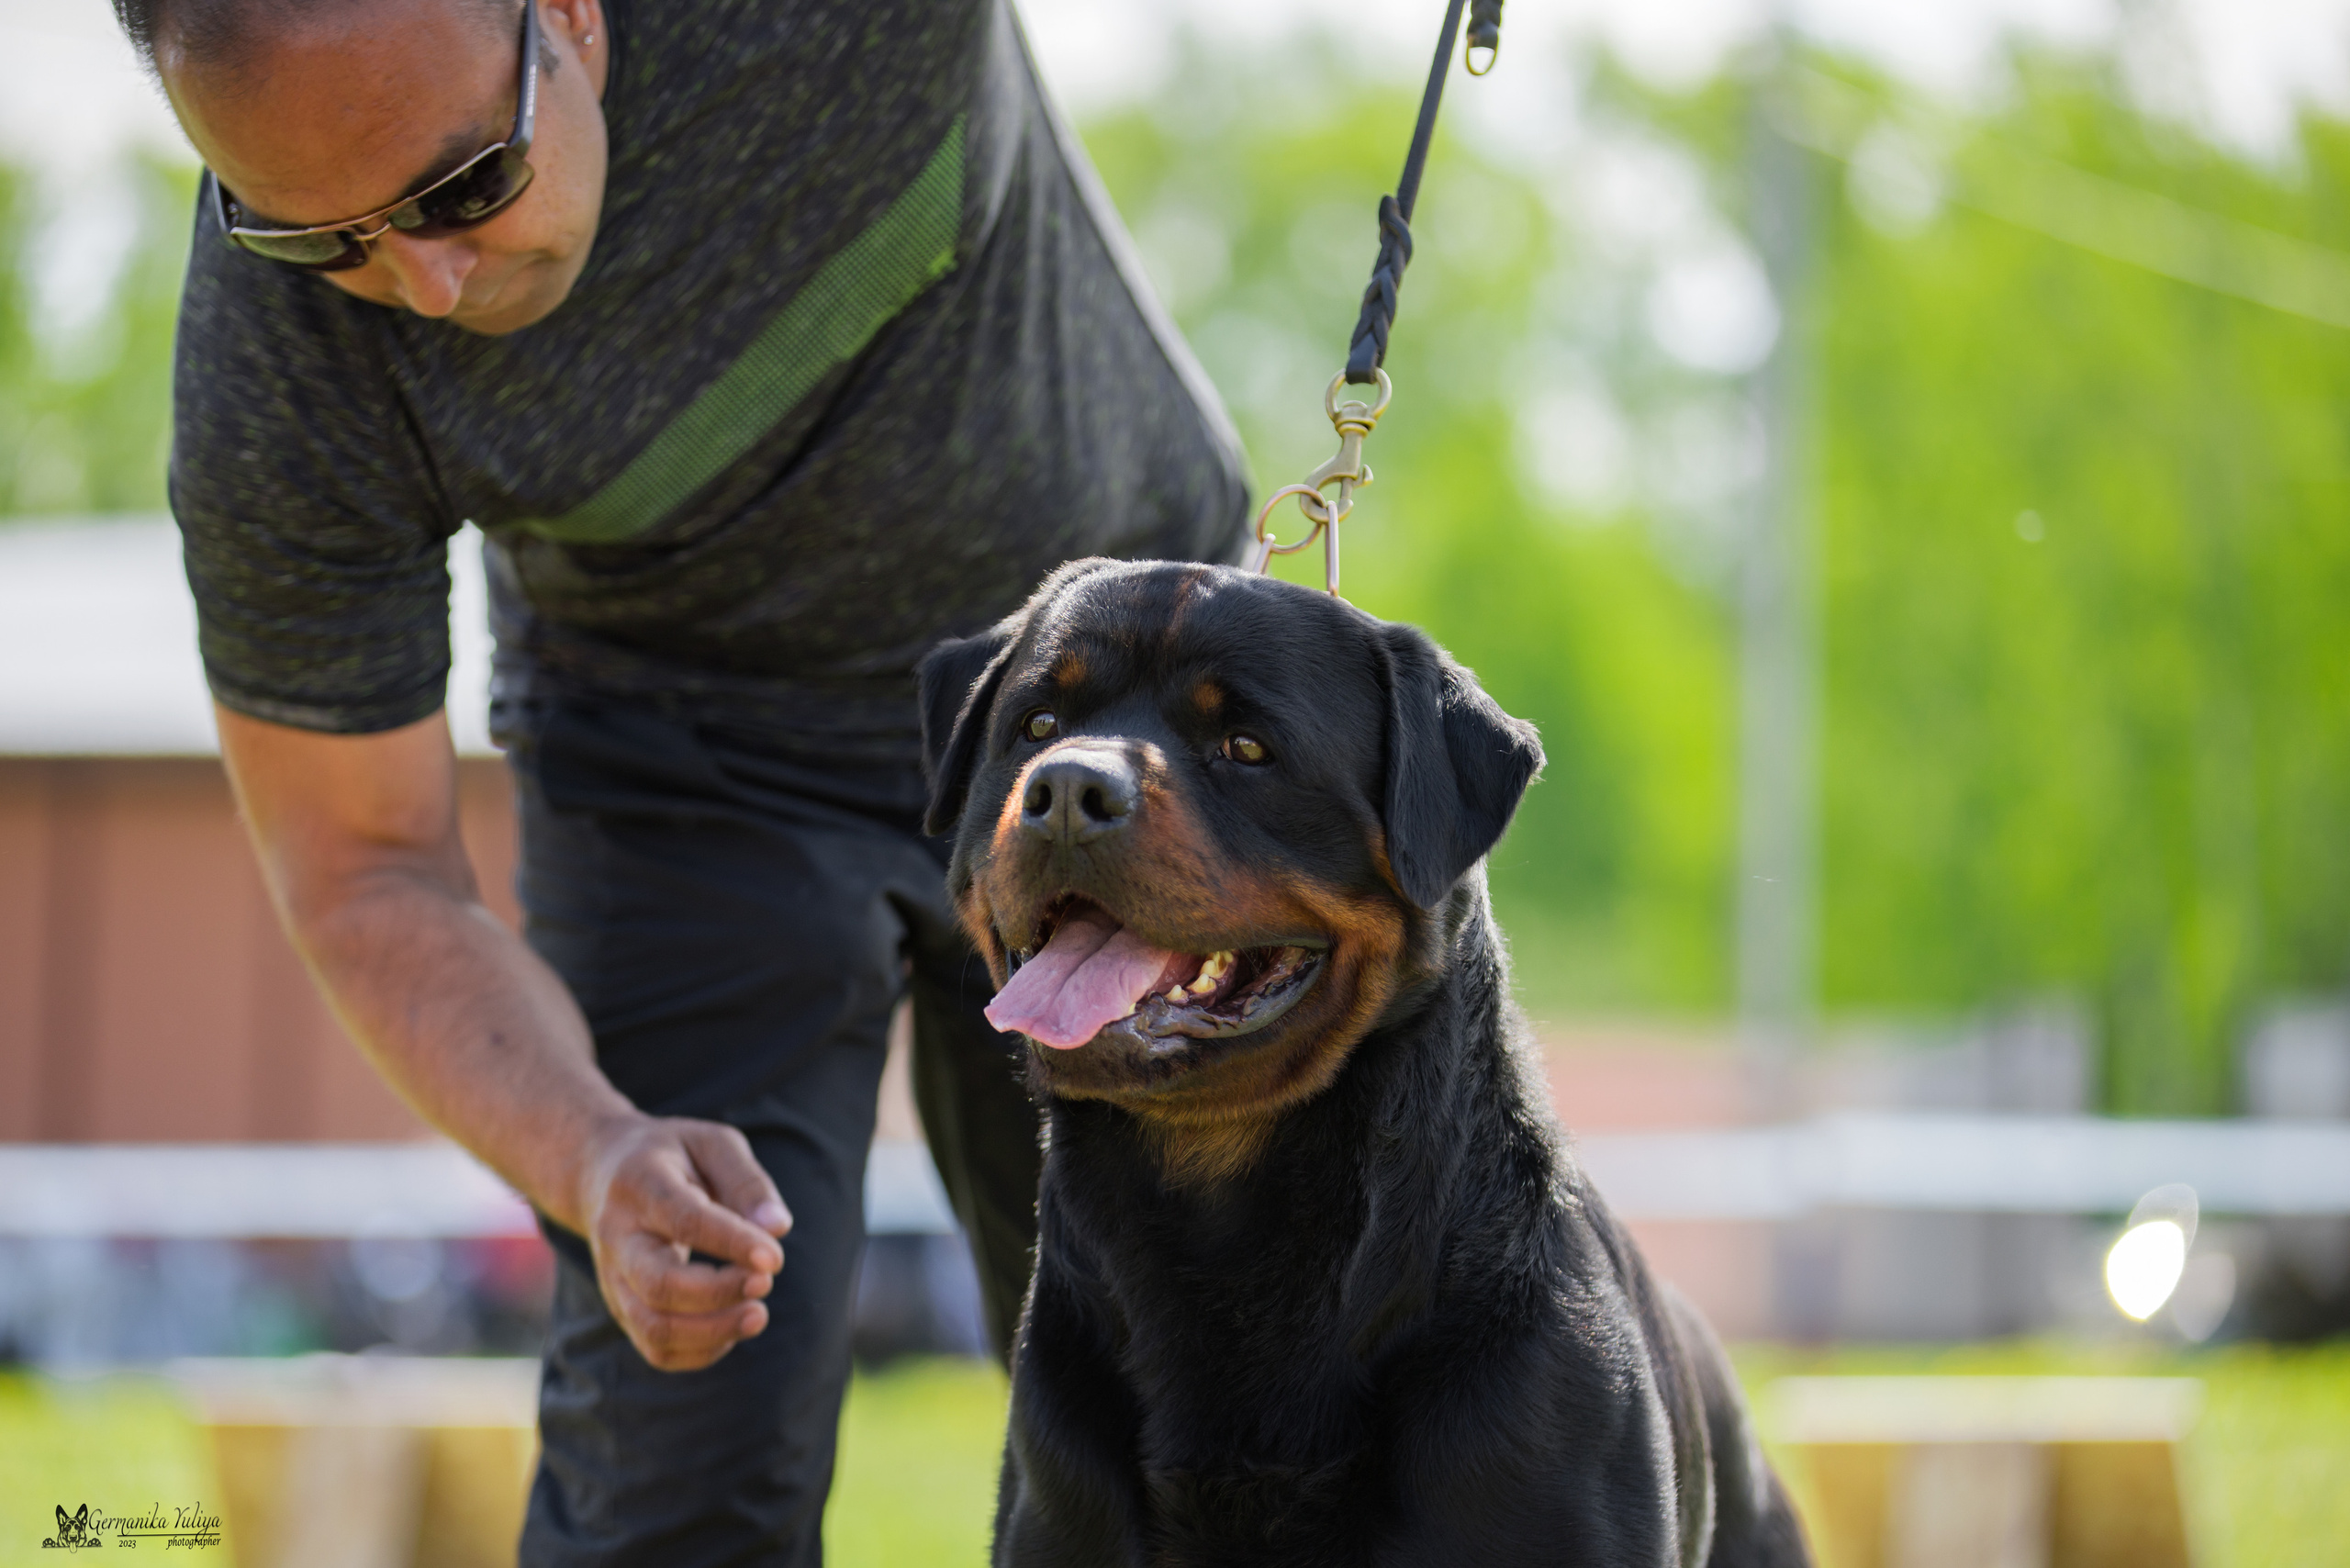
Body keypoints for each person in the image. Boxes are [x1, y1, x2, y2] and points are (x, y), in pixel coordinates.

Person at [114, 0, 1248, 1559]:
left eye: (464, 187)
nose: (422, 285)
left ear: (569, 19)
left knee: (1198, 1427)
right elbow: (363, 869)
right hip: (690, 768)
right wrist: (593, 1153)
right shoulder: (279, 381)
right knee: (678, 1460)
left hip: (1102, 712)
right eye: (325, 240)